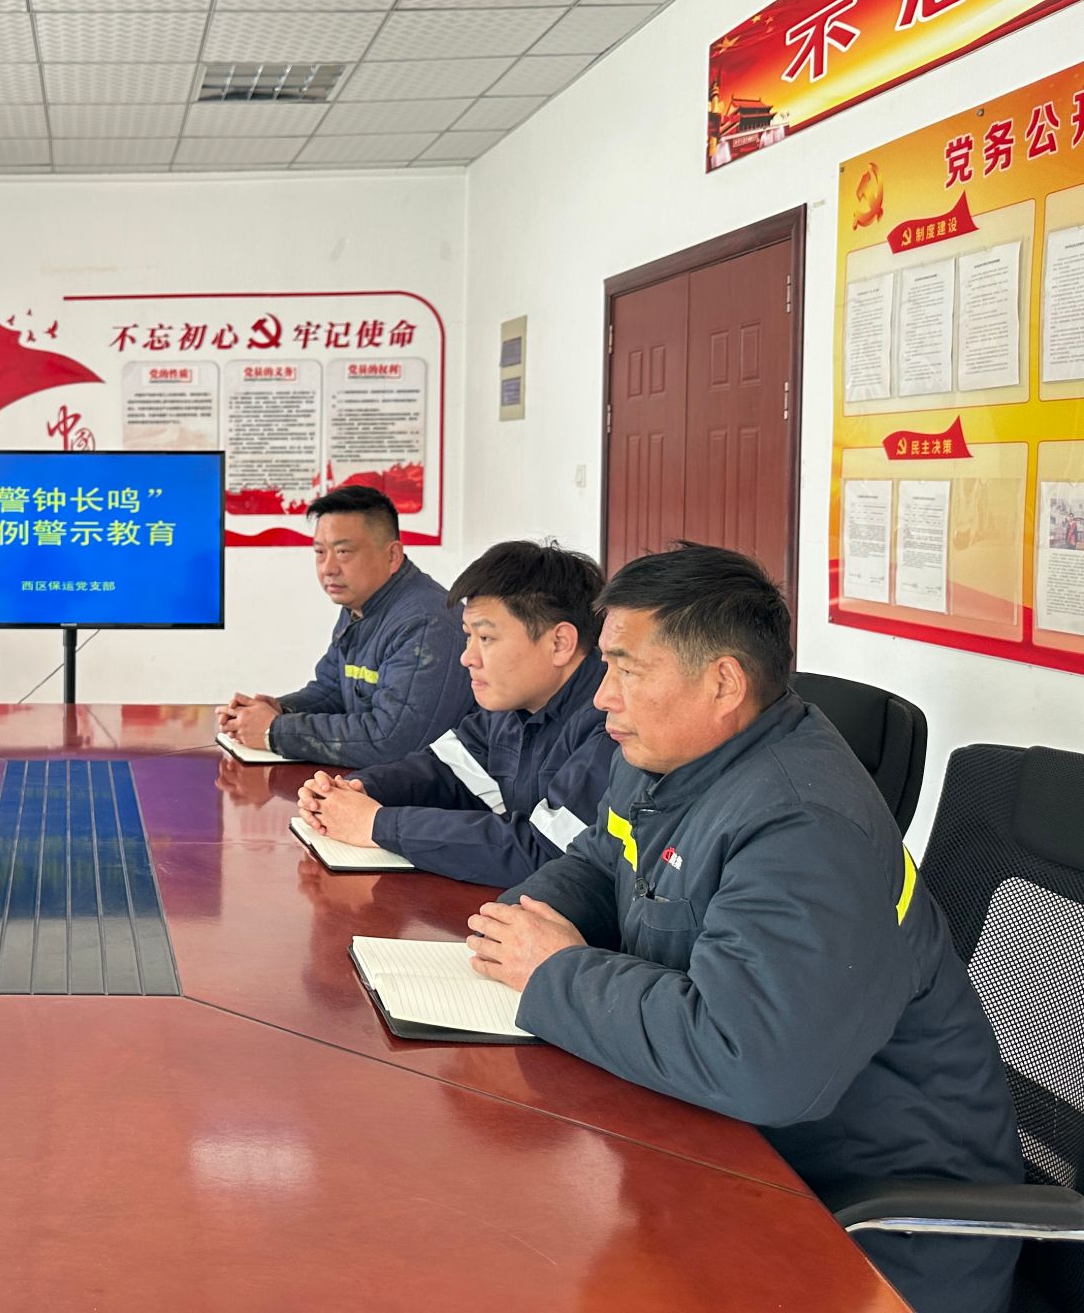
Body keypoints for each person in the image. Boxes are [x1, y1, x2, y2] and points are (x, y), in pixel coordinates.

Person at [465, 544, 1021, 1313]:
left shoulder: (804, 824)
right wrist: (526, 921)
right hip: (736, 1153)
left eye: (627, 669)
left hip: (876, 1229)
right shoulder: (666, 755)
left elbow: (753, 1060)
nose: (602, 697)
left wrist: (555, 973)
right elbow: (601, 859)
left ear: (723, 683)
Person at [296, 539, 613, 886]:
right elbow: (445, 772)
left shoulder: (611, 723)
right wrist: (354, 791)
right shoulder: (511, 706)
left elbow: (545, 851)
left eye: (486, 638)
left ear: (560, 643)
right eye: (468, 637)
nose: (467, 658)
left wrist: (377, 824)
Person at [216, 485, 472, 768]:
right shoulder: (360, 604)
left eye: (343, 552)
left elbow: (392, 740)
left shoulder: (426, 623)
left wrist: (274, 731)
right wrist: (278, 710)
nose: (328, 568)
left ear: (392, 556)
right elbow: (332, 690)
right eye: (320, 552)